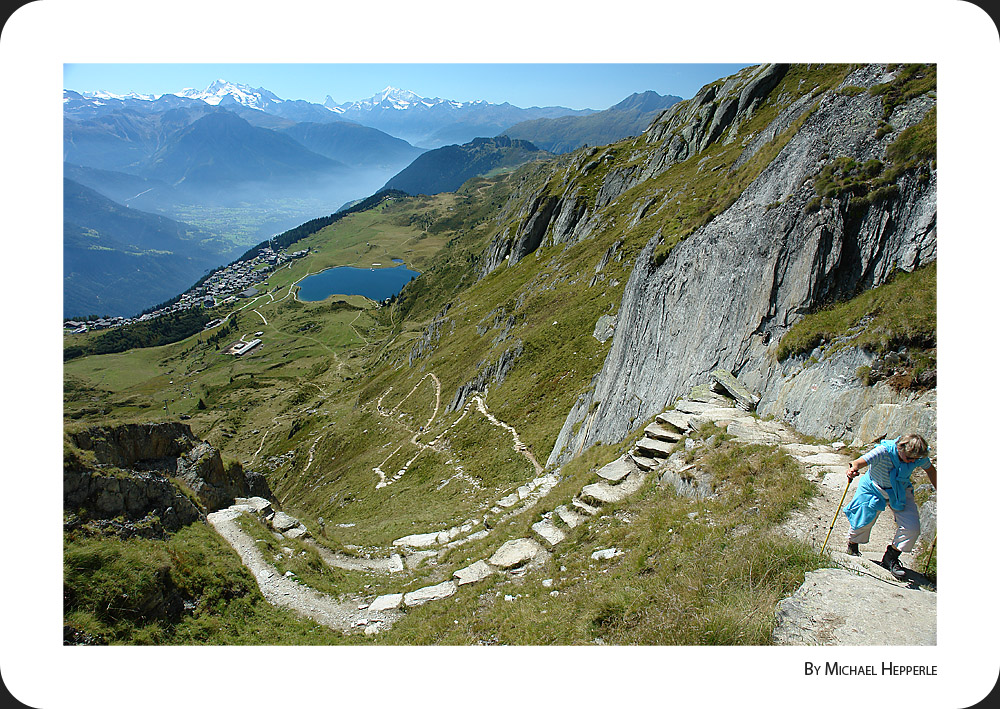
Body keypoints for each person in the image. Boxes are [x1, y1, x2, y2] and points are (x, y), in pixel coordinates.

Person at [842, 433, 937, 579]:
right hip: (873, 487)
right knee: (862, 522)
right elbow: (860, 462)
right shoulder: (883, 451)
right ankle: (853, 546)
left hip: (900, 489)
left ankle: (890, 557)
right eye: (909, 458)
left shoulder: (917, 456)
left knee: (912, 528)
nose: (912, 462)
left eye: (915, 460)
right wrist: (853, 469)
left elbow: (930, 470)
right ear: (900, 448)